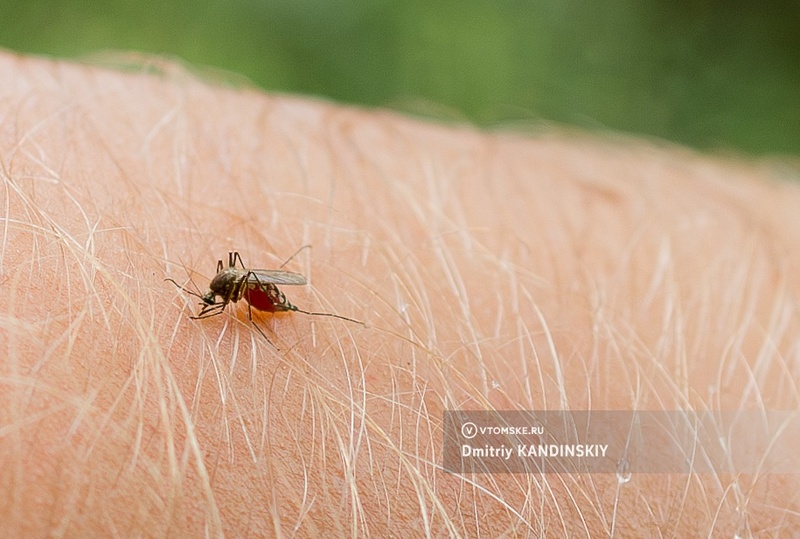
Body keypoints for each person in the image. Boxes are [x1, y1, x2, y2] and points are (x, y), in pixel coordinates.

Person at [1, 51, 798, 536]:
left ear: (234, 292)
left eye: (227, 295)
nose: (230, 299)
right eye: (231, 295)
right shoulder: (244, 287)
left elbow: (240, 295)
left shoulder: (243, 295)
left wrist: (243, 306)